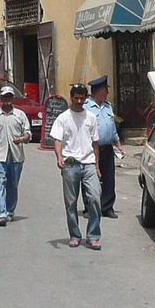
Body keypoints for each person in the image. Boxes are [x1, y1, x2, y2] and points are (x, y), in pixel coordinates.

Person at [53, 82, 102, 249]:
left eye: (82, 98)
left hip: (88, 164)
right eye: (76, 98)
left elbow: (95, 143)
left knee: (95, 198)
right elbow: (57, 141)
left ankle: (93, 235)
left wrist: (97, 166)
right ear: (71, 98)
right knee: (71, 202)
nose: (79, 101)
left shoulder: (91, 118)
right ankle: (75, 235)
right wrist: (59, 157)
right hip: (70, 165)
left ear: (86, 99)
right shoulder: (63, 118)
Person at [0, 84, 32, 226]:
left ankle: (10, 210)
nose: (7, 99)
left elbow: (28, 133)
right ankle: (1, 213)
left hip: (16, 155)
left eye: (9, 96)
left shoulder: (20, 115)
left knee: (13, 184)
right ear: (0, 98)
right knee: (0, 183)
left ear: (12, 98)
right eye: (4, 96)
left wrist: (22, 139)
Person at [85, 75, 124, 219]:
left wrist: (117, 142)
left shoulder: (108, 106)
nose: (107, 93)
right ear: (99, 90)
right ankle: (90, 207)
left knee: (109, 178)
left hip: (107, 148)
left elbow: (111, 126)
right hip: (91, 148)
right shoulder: (86, 107)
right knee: (90, 177)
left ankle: (107, 207)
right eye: (105, 90)